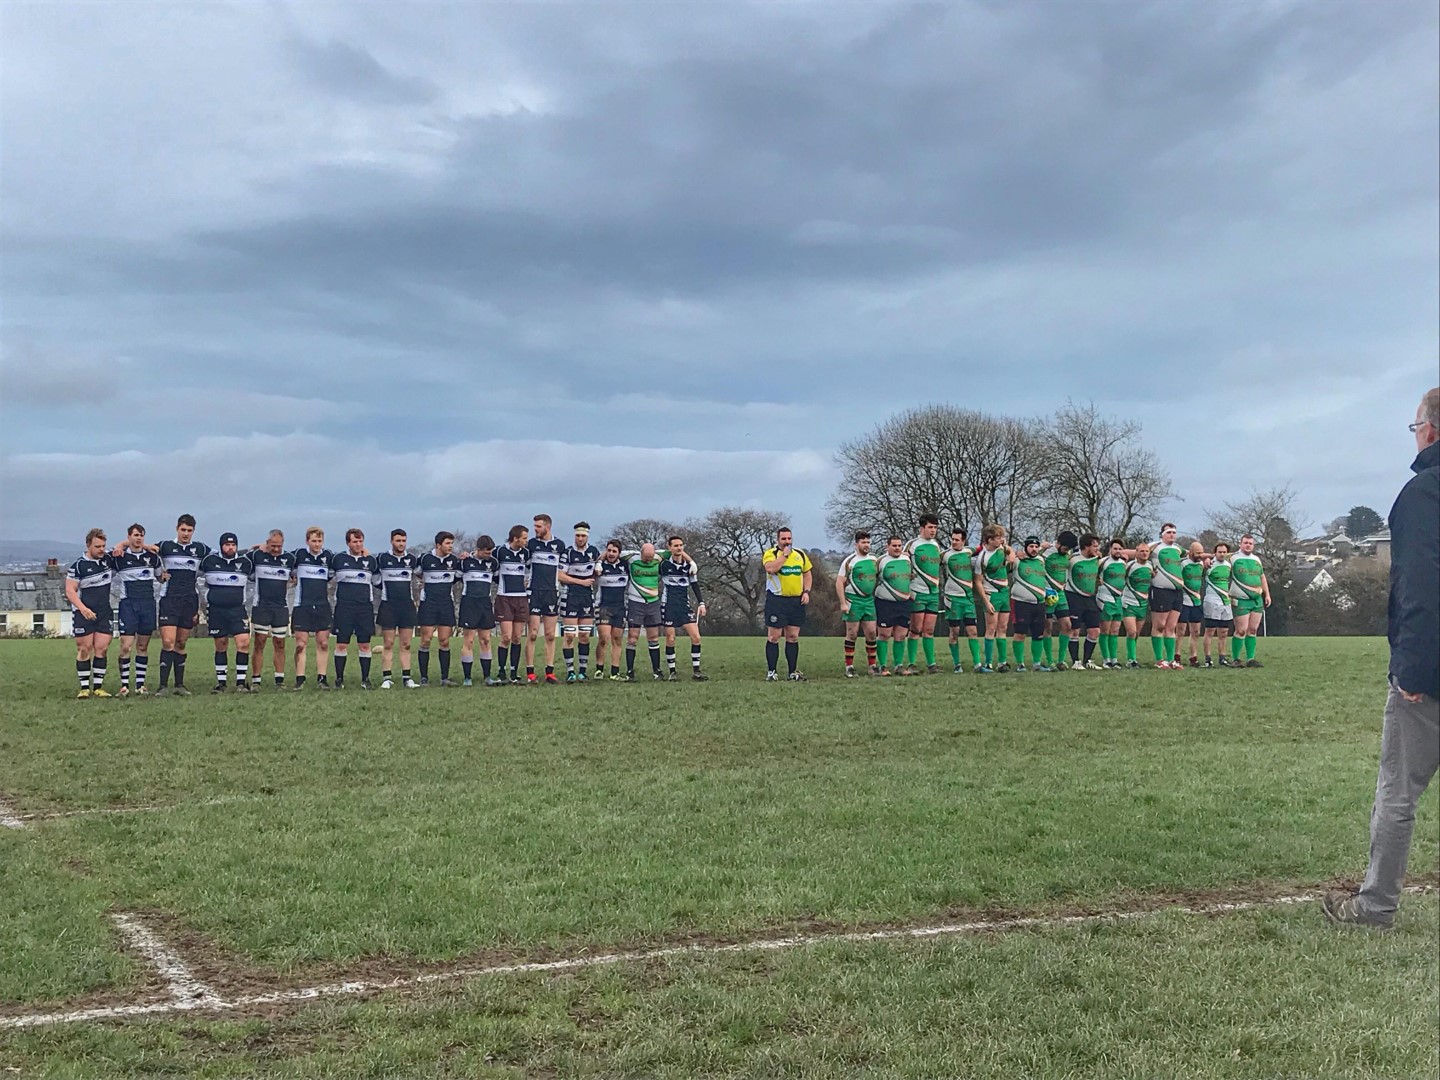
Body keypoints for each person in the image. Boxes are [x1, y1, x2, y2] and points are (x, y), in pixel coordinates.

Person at [1325, 387, 1439, 929]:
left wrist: (1412, 667)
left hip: (1430, 675)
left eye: (1415, 427)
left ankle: (1375, 906)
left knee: (1398, 793)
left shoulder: (1424, 494)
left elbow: (1419, 585)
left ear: (1430, 430)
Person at [155, 514, 211, 696]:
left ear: (193, 531)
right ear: (177, 529)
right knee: (168, 642)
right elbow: (144, 549)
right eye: (183, 530)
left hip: (189, 600)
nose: (186, 533)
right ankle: (163, 686)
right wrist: (121, 545)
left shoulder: (200, 549)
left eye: (189, 530)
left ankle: (179, 685)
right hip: (169, 599)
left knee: (181, 642)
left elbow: (220, 556)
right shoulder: (165, 546)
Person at [112, 523, 162, 696]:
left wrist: (166, 577)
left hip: (147, 604)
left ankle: (140, 685)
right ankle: (124, 685)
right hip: (128, 604)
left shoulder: (152, 557)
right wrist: (120, 545)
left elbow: (160, 577)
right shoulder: (120, 557)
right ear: (129, 537)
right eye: (135, 535)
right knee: (126, 646)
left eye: (141, 535)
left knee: (142, 645)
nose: (138, 538)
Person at [201, 532, 254, 693]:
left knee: (244, 642)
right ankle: (221, 683)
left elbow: (257, 577)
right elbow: (193, 575)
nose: (230, 548)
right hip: (216, 610)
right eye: (227, 545)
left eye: (233, 545)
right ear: (221, 546)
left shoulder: (245, 563)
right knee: (221, 644)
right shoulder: (209, 561)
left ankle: (241, 683)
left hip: (237, 609)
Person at [66, 528, 116, 698]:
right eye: (97, 546)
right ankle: (84, 688)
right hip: (83, 613)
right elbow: (70, 591)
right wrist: (83, 609)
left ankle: (98, 687)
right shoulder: (78, 566)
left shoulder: (107, 559)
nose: (101, 549)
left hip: (104, 612)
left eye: (103, 546)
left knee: (101, 648)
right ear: (88, 545)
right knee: (84, 648)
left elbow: (124, 545)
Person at [328, 528, 378, 689]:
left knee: (364, 645)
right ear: (348, 543)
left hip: (364, 607)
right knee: (342, 644)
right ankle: (339, 679)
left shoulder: (371, 561)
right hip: (344, 607)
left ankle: (365, 679)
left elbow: (379, 581)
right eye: (355, 541)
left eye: (360, 541)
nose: (358, 544)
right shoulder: (338, 559)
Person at [761, 527, 812, 681]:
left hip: (796, 601)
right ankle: (772, 672)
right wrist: (784, 556)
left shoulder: (800, 554)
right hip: (777, 600)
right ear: (778, 540)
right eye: (783, 539)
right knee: (774, 636)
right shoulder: (771, 554)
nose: (787, 542)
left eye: (789, 538)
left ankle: (792, 672)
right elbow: (771, 569)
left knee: (793, 636)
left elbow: (807, 574)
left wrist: (806, 592)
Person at [247, 530, 295, 690]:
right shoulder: (257, 555)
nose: (276, 549)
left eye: (279, 546)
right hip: (261, 606)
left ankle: (279, 680)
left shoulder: (289, 559)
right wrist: (253, 548)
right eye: (273, 546)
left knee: (280, 643)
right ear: (267, 543)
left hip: (280, 607)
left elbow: (297, 571)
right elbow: (238, 559)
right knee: (259, 642)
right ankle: (256, 680)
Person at [376, 529, 421, 689]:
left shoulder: (412, 559)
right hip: (388, 605)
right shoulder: (382, 558)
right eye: (398, 541)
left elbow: (421, 574)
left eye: (403, 541)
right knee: (388, 643)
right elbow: (375, 579)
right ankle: (386, 678)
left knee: (406, 644)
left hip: (407, 606)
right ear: (392, 541)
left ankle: (407, 678)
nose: (401, 544)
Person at [291, 527, 334, 690]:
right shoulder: (299, 555)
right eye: (314, 541)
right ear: (307, 541)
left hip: (322, 605)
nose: (317, 544)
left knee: (323, 643)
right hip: (302, 605)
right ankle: (299, 679)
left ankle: (322, 679)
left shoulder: (328, 556)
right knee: (300, 644)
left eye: (319, 541)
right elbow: (281, 557)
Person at [660, 535, 708, 681]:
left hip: (684, 606)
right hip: (668, 606)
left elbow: (695, 585)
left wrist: (701, 603)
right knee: (670, 638)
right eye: (675, 545)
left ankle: (697, 671)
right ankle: (672, 672)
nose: (679, 548)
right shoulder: (663, 565)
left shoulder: (688, 567)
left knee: (696, 637)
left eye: (681, 545)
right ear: (669, 547)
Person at [527, 514, 567, 684]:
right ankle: (530, 672)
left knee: (550, 635)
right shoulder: (531, 544)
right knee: (533, 633)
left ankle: (549, 672)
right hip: (534, 592)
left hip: (551, 592)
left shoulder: (559, 545)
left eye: (538, 526)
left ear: (547, 527)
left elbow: (564, 568)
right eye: (534, 526)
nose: (535, 529)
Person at [559, 523, 601, 683]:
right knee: (570, 635)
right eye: (578, 535)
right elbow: (560, 575)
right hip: (570, 596)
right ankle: (570, 671)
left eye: (583, 536)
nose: (580, 538)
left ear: (587, 536)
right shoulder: (568, 553)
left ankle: (582, 671)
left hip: (587, 598)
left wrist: (598, 570)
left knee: (584, 635)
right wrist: (580, 582)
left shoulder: (593, 552)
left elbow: (599, 565)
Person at [417, 531, 460, 687]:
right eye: (447, 543)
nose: (450, 546)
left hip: (446, 603)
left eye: (452, 543)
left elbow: (458, 576)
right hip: (429, 603)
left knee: (444, 641)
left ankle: (444, 678)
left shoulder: (454, 561)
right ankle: (424, 677)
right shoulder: (425, 559)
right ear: (438, 545)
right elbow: (416, 573)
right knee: (426, 639)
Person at [903, 514, 943, 675]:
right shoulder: (912, 545)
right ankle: (911, 663)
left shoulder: (935, 545)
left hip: (933, 593)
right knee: (915, 629)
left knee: (929, 630)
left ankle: (931, 664)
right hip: (917, 592)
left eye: (935, 527)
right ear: (922, 528)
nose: (933, 530)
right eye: (930, 527)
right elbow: (902, 562)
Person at [836, 531, 880, 677]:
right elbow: (839, 582)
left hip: (869, 601)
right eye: (863, 542)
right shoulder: (849, 561)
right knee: (852, 633)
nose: (866, 545)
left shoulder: (874, 560)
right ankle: (849, 666)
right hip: (853, 600)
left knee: (872, 633)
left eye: (868, 542)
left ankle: (872, 666)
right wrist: (843, 603)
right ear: (856, 544)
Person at [458, 535, 500, 686]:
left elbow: (499, 580)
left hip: (485, 603)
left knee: (486, 640)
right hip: (469, 603)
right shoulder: (465, 562)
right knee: (469, 640)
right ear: (478, 549)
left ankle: (487, 676)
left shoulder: (493, 563)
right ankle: (467, 677)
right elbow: (454, 578)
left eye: (491, 552)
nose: (489, 555)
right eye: (486, 552)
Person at [974, 525, 1014, 672]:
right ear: (989, 540)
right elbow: (978, 582)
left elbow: (1010, 552)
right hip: (992, 594)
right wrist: (986, 602)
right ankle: (988, 662)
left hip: (1004, 592)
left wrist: (1010, 553)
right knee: (991, 628)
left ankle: (1002, 662)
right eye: (997, 538)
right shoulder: (982, 558)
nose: (1001, 540)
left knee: (1003, 628)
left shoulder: (1002, 548)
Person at [1008, 536, 1051, 672]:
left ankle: (1037, 664)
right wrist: (1014, 553)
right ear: (1025, 547)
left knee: (1038, 634)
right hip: (1021, 603)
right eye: (1031, 546)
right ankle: (1020, 664)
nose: (1034, 549)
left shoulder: (1040, 560)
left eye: (1036, 547)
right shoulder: (1018, 560)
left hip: (1039, 604)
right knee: (1020, 633)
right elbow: (1006, 562)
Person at [623, 542, 665, 681]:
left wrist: (691, 562)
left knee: (653, 637)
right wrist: (599, 563)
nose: (648, 560)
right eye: (646, 557)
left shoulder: (658, 556)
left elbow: (677, 550)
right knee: (633, 637)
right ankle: (630, 671)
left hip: (653, 603)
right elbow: (609, 553)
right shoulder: (631, 557)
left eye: (651, 558)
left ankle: (657, 671)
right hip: (636, 603)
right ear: (640, 553)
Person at [942, 528, 981, 673]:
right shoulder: (945, 555)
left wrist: (1006, 546)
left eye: (957, 540)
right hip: (952, 598)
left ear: (963, 541)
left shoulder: (969, 551)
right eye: (952, 539)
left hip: (968, 598)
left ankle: (977, 664)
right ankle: (957, 664)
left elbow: (984, 547)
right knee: (955, 632)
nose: (954, 542)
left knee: (973, 631)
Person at [1228, 533, 1271, 667]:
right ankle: (1236, 659)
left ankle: (1250, 659)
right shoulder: (1233, 558)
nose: (1248, 545)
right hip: (1241, 599)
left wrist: (1267, 594)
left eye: (1250, 543)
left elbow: (1262, 577)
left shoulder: (1256, 559)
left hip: (1256, 600)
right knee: (1241, 630)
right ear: (1240, 544)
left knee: (1252, 630)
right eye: (1245, 543)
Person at [495, 525, 530, 684]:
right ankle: (501, 671)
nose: (526, 541)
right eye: (524, 538)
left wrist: (527, 581)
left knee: (517, 637)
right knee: (506, 637)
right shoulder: (500, 551)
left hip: (521, 598)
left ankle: (514, 672)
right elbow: (486, 561)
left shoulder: (526, 553)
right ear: (515, 538)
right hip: (505, 598)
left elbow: (530, 569)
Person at [1148, 523, 1185, 669]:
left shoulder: (1178, 548)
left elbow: (1194, 554)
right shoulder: (1154, 546)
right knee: (1159, 626)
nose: (1172, 535)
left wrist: (1208, 558)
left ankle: (1171, 660)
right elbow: (1137, 552)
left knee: (1171, 627)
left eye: (1174, 532)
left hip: (1177, 592)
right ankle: (1159, 659)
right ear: (1162, 534)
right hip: (1160, 590)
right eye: (1169, 532)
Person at [873, 536, 912, 675]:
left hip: (904, 604)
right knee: (884, 634)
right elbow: (872, 578)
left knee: (901, 635)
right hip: (885, 603)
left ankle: (899, 666)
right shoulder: (880, 561)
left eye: (899, 545)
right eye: (894, 545)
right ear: (887, 546)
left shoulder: (907, 560)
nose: (897, 548)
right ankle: (882, 666)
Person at [1066, 534, 1103, 670]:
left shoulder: (1097, 559)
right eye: (1094, 546)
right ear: (1086, 546)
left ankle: (1088, 661)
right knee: (1074, 630)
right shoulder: (1072, 560)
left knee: (1095, 631)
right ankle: (1076, 661)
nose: (1097, 549)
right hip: (1074, 597)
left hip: (1090, 598)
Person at [595, 542, 630, 681]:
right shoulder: (600, 565)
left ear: (619, 553)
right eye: (609, 550)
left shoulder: (625, 565)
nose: (611, 554)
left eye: (614, 551)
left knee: (617, 639)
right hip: (603, 606)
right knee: (604, 638)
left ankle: (615, 672)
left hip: (620, 607)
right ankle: (599, 669)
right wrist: (599, 561)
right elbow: (596, 565)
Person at [1044, 531, 1076, 670]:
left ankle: (1061, 660)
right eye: (1065, 548)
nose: (1066, 551)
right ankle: (1049, 661)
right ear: (1058, 543)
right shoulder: (1047, 552)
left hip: (1061, 594)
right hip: (1047, 594)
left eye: (1068, 549)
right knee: (1047, 626)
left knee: (1067, 625)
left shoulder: (1068, 554)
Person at [1097, 539, 1129, 669]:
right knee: (1105, 630)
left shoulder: (1123, 564)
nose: (1118, 551)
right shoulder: (1103, 562)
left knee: (1115, 631)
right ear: (1110, 549)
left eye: (1120, 549)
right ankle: (1106, 660)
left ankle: (1114, 659)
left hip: (1118, 600)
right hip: (1105, 598)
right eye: (1115, 548)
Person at [1202, 542, 1235, 667]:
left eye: (1224, 552)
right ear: (1215, 553)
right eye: (1219, 552)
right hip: (1211, 601)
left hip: (1225, 602)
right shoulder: (1209, 564)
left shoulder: (1228, 565)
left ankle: (1222, 658)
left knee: (1223, 632)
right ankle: (1208, 659)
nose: (1222, 554)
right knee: (1210, 631)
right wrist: (1206, 559)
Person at [1121, 543, 1153, 669]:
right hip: (1129, 603)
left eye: (1146, 551)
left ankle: (1133, 657)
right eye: (1141, 551)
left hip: (1143, 604)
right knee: (1132, 632)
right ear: (1137, 552)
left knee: (1137, 634)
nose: (1144, 553)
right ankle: (1131, 660)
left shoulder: (1151, 566)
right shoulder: (1129, 566)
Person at [1178, 541, 1207, 667]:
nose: (1200, 555)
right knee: (1180, 630)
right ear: (1190, 553)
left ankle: (1193, 657)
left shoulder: (1201, 564)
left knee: (1195, 631)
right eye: (1197, 553)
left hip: (1196, 601)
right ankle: (1176, 656)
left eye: (1201, 553)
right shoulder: (1183, 564)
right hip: (1184, 601)